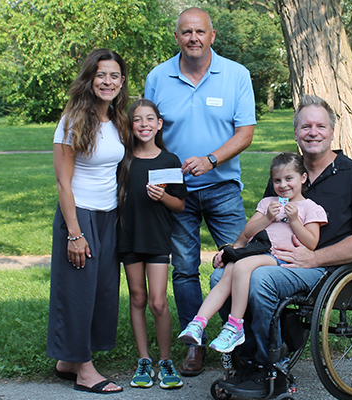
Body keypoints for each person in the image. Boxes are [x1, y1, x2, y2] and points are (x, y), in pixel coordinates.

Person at [212, 95, 352, 396]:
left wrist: (315, 258)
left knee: (261, 280)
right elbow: (263, 222)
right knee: (219, 277)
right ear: (296, 133)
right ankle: (248, 362)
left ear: (331, 131)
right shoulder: (286, 174)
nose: (313, 132)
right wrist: (235, 249)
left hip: (325, 270)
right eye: (305, 126)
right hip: (275, 258)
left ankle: (270, 369)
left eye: (320, 126)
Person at [144, 6, 256, 376]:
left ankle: (239, 340)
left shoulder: (236, 74)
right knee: (185, 269)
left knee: (238, 261)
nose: (193, 38)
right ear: (177, 37)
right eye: (186, 32)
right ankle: (195, 345)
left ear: (212, 36)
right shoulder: (158, 76)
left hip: (222, 186)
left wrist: (211, 159)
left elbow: (245, 133)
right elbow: (148, 131)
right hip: (176, 193)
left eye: (200, 32)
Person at [179, 152, 327, 353]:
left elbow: (312, 242)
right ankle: (198, 322)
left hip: (281, 258)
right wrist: (267, 217)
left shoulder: (310, 208)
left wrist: (294, 220)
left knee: (240, 265)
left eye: (289, 178)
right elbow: (248, 232)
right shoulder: (268, 203)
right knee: (227, 273)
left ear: (302, 178)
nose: (283, 185)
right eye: (277, 180)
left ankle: (235, 325)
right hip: (259, 251)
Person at [49, 48, 129, 394]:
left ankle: (67, 361)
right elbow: (63, 183)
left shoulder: (118, 120)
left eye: (114, 75)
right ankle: (84, 370)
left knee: (103, 292)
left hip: (109, 214)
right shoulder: (72, 120)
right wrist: (74, 234)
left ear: (122, 82)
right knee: (79, 292)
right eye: (101, 75)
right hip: (79, 215)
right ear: (89, 79)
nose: (107, 81)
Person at [116, 99, 187, 389]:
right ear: (130, 126)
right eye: (137, 120)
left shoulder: (170, 161)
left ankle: (165, 360)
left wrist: (162, 197)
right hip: (129, 238)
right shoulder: (123, 159)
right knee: (137, 298)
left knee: (158, 301)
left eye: (150, 119)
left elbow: (180, 205)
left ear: (159, 124)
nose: (143, 125)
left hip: (157, 238)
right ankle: (144, 360)